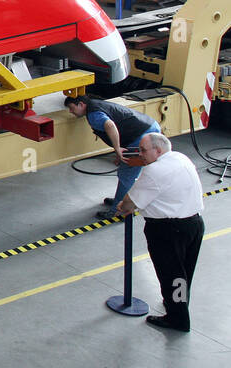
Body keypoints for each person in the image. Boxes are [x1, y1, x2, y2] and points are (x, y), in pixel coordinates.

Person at [117, 134, 204, 332]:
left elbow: (131, 202)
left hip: (169, 231)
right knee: (182, 274)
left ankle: (178, 320)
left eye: (143, 150)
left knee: (171, 276)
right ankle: (178, 305)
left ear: (158, 150)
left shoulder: (155, 170)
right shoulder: (181, 158)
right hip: (194, 224)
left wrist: (123, 206)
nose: (141, 155)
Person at [64, 95, 161, 217]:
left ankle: (119, 210)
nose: (70, 112)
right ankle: (120, 200)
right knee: (127, 174)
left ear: (81, 104)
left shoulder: (93, 114)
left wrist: (118, 149)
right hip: (147, 128)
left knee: (127, 175)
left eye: (72, 108)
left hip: (140, 137)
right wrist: (119, 151)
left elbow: (110, 125)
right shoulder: (97, 105)